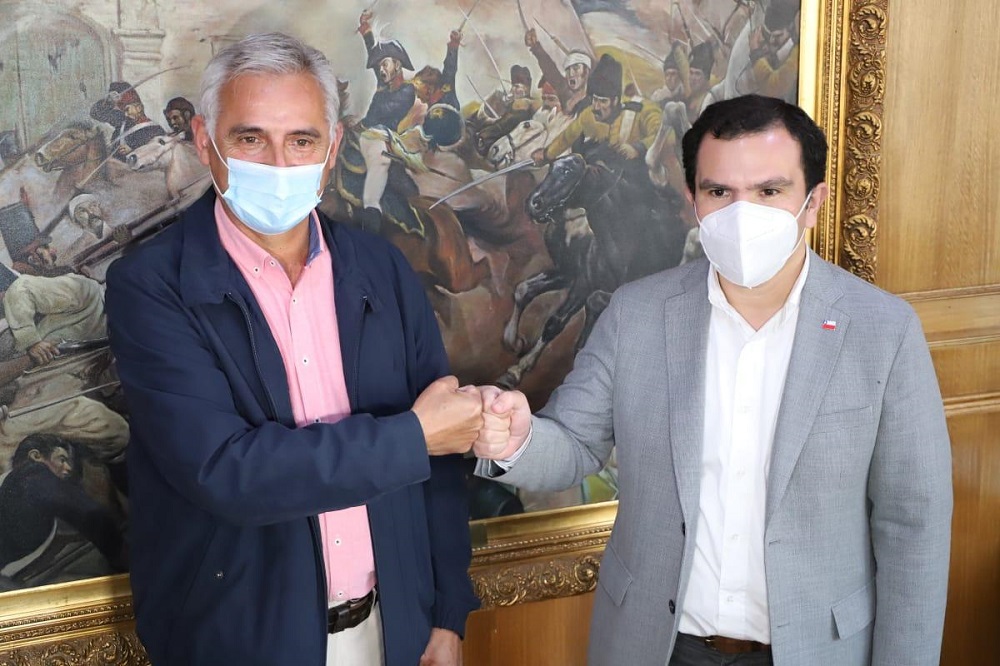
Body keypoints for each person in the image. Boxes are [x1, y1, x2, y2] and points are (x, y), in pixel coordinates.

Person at [473, 94, 953, 665]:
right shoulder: (636, 314)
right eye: (719, 192)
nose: (741, 213)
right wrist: (516, 440)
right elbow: (575, 443)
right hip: (657, 646)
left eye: (769, 191)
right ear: (693, 201)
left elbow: (914, 522)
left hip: (814, 651)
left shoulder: (883, 330)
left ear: (813, 203)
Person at [105, 32, 481, 666]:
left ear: (332, 148)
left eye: (302, 140)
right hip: (240, 644)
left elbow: (440, 461)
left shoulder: (383, 270)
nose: (279, 165)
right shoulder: (151, 286)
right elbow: (226, 471)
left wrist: (446, 611)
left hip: (392, 629)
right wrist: (414, 437)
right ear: (204, 141)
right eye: (251, 139)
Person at [0, 433, 127, 586]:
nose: (67, 468)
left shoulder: (9, 485)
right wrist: (120, 555)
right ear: (36, 456)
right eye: (62, 459)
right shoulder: (33, 472)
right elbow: (91, 514)